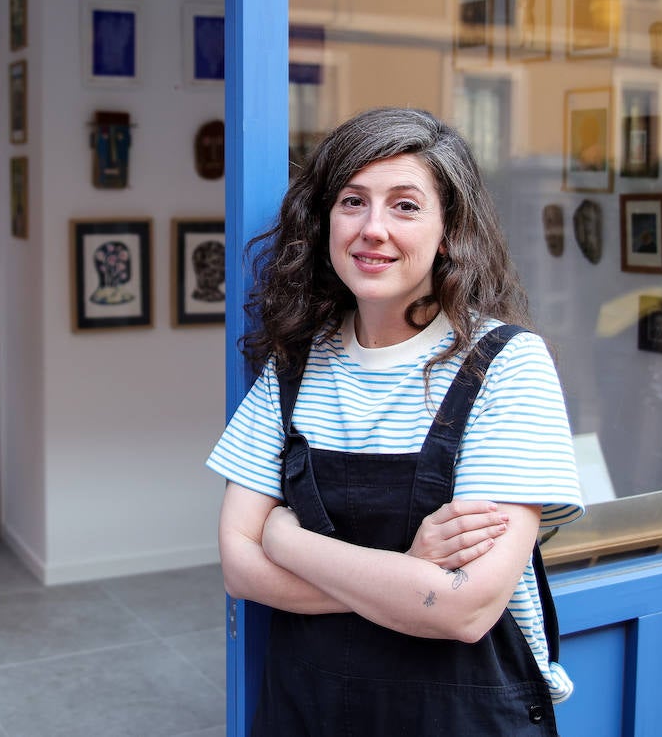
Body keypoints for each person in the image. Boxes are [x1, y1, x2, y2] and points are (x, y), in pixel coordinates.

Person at [206, 107, 583, 735]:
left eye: (405, 206)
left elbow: (465, 609)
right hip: (309, 712)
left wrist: (285, 541)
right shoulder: (295, 367)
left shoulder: (507, 366)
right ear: (325, 222)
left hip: (464, 718)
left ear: (448, 232)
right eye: (353, 201)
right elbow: (238, 569)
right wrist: (408, 568)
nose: (372, 229)